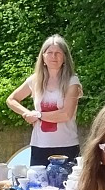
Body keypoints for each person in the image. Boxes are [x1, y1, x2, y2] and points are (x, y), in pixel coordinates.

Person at [6, 35, 83, 168]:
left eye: (58, 53)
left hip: (66, 145)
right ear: (43, 57)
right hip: (39, 145)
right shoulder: (34, 80)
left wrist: (38, 115)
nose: (54, 56)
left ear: (65, 57)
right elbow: (11, 99)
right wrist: (27, 113)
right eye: (50, 53)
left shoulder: (72, 81)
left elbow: (66, 114)